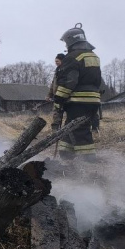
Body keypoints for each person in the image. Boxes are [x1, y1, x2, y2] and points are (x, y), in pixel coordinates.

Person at [53, 23, 102, 160]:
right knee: (70, 128)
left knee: (80, 131)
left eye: (66, 43)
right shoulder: (92, 56)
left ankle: (88, 163)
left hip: (78, 101)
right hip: (92, 100)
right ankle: (66, 158)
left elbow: (69, 81)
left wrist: (59, 98)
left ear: (71, 41)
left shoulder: (72, 57)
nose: (65, 46)